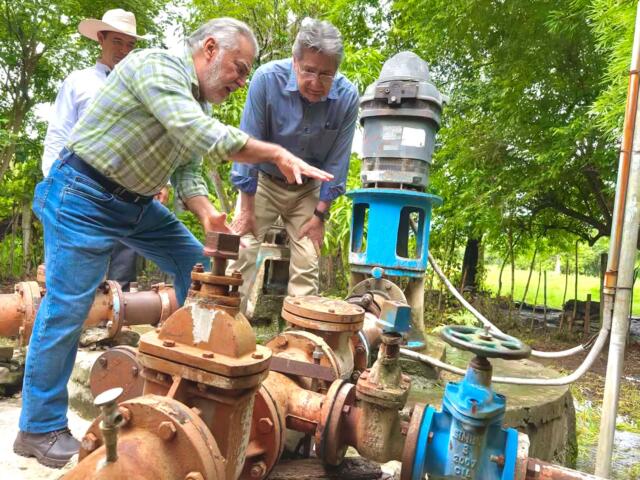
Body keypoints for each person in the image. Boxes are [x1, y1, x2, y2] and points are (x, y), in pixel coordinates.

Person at [14, 17, 332, 468]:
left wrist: (208, 215)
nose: (242, 81)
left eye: (246, 74)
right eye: (238, 68)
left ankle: (194, 370)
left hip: (135, 203)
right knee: (67, 307)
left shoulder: (194, 103)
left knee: (192, 263)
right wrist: (274, 152)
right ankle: (38, 428)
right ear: (208, 49)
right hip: (82, 193)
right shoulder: (157, 67)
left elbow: (187, 169)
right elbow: (200, 135)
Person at [228, 18, 358, 303]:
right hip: (262, 180)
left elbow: (337, 162)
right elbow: (245, 147)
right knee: (242, 249)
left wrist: (319, 216)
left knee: (308, 260)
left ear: (336, 71)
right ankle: (226, 325)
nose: (315, 82)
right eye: (308, 70)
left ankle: (300, 339)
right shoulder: (266, 79)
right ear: (295, 61)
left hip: (308, 189)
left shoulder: (347, 97)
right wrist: (246, 209)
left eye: (326, 74)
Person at [41, 8, 148, 292]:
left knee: (123, 269)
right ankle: (76, 329)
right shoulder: (79, 82)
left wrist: (162, 182)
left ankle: (115, 329)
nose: (124, 50)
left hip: (127, 190)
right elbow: (59, 133)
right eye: (117, 41)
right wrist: (52, 181)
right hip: (80, 186)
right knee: (74, 265)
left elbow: (147, 140)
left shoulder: (141, 89)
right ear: (101, 38)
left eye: (130, 44)